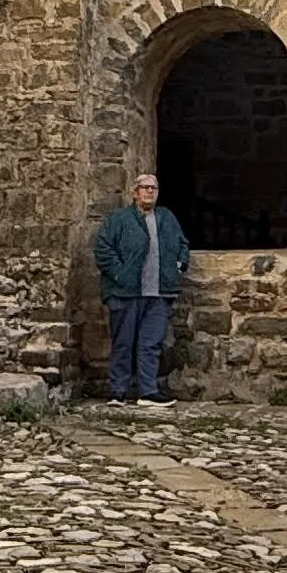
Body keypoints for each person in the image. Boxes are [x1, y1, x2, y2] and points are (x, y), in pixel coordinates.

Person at [93, 170, 191, 405]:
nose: (149, 191)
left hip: (159, 292)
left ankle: (148, 392)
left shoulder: (166, 218)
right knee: (123, 342)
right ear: (134, 193)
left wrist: (179, 264)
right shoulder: (119, 219)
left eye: (153, 188)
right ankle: (118, 391)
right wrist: (120, 274)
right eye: (145, 188)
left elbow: (182, 243)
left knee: (151, 344)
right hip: (125, 292)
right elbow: (103, 249)